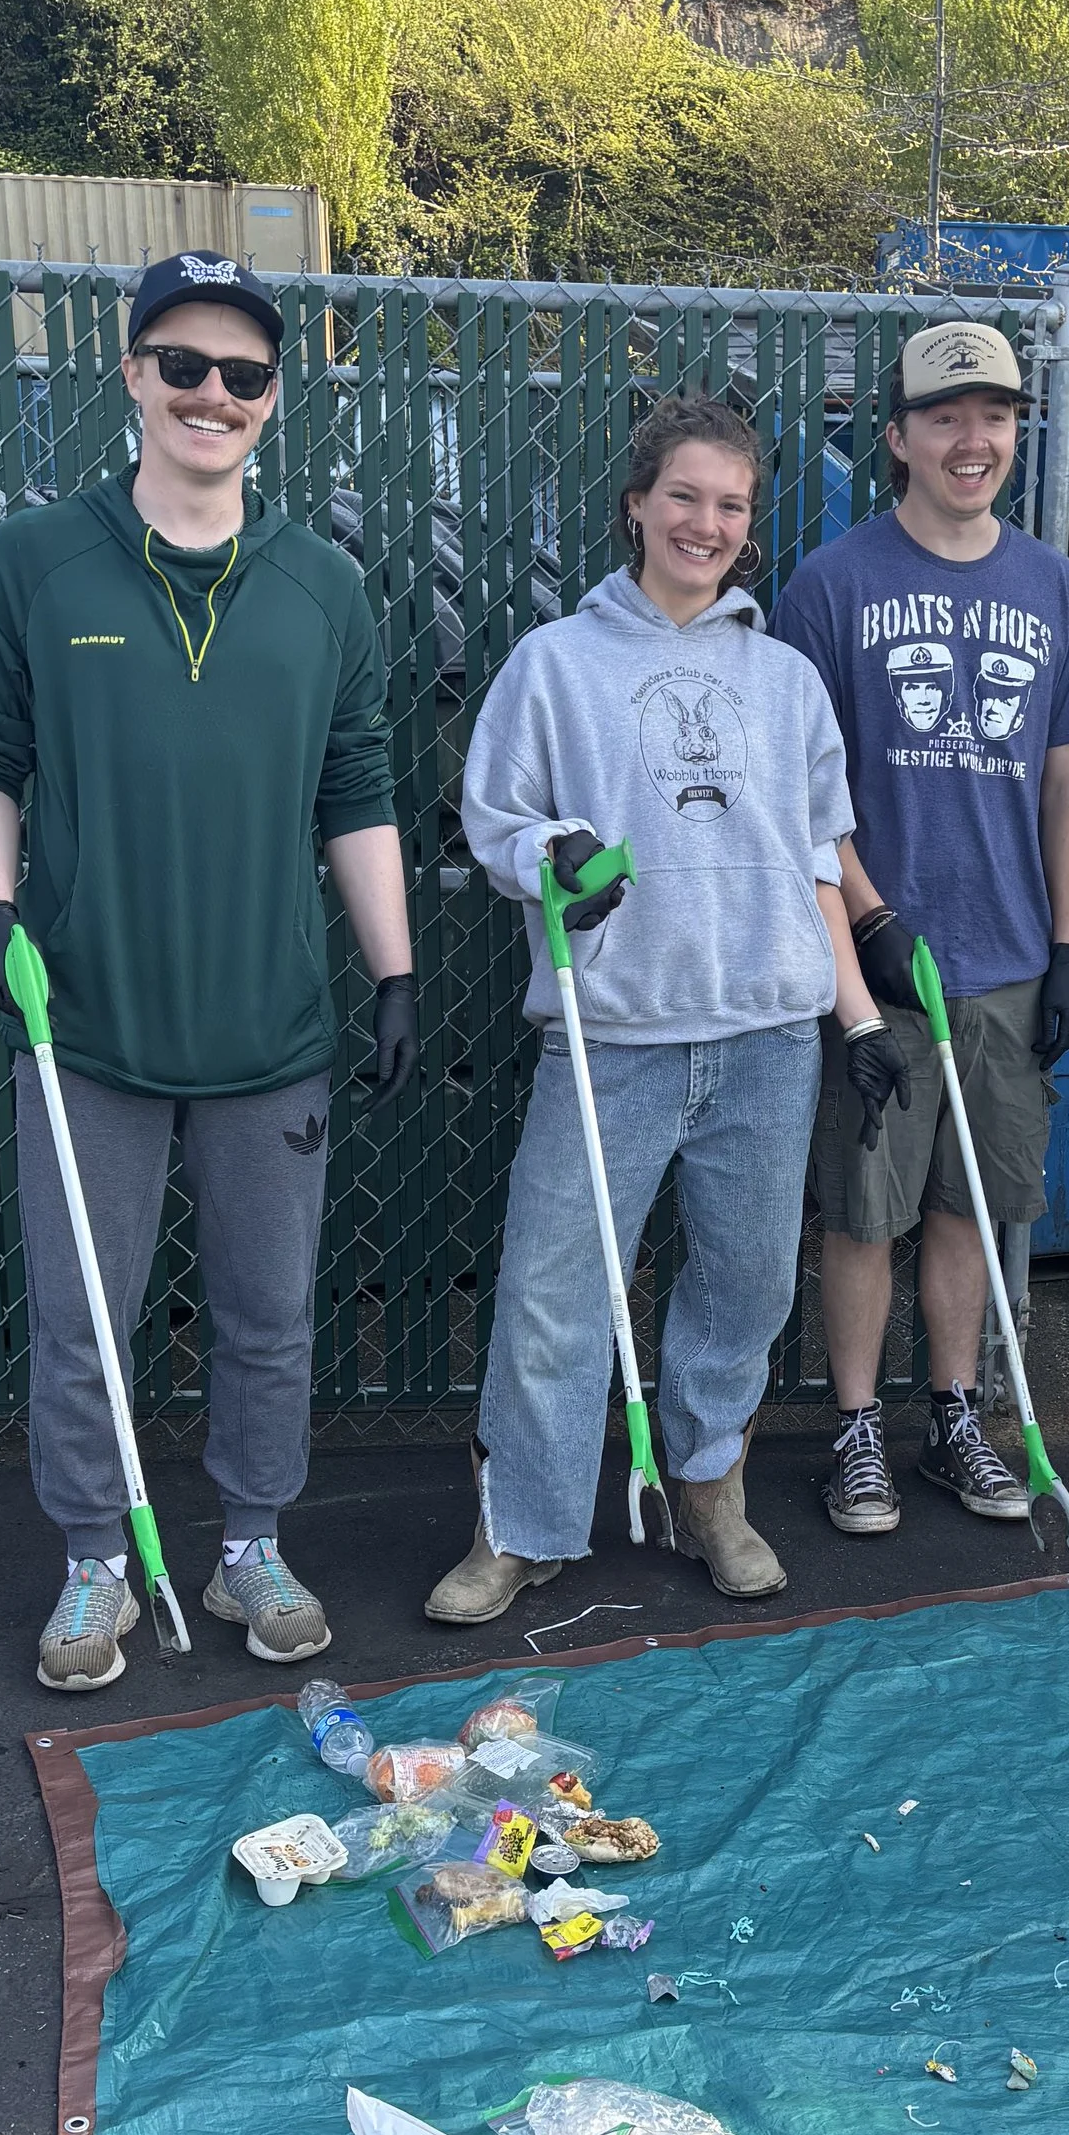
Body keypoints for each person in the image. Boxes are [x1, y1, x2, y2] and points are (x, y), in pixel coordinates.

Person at [0, 250, 417, 1692]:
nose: (215, 393)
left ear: (274, 399)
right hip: (81, 1019)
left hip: (272, 1027)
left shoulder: (323, 586)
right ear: (134, 374)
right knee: (85, 1312)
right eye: (186, 365)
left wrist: (393, 973)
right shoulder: (37, 560)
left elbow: (358, 786)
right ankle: (94, 1563)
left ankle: (251, 1544)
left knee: (272, 1316)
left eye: (246, 374)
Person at [427, 392, 909, 1625]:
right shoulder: (555, 665)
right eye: (683, 496)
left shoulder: (788, 680)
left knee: (745, 1288)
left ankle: (709, 1493)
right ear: (635, 505)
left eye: (731, 505)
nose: (705, 522)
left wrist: (853, 1016)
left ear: (751, 529)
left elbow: (815, 850)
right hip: (613, 1036)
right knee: (553, 1289)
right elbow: (494, 819)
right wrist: (554, 851)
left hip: (762, 1036)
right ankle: (523, 1530)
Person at [772, 319, 1069, 1534]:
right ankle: (856, 1428)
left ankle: (954, 1417)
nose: (975, 439)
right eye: (948, 417)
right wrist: (869, 920)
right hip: (882, 965)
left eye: (997, 416)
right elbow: (806, 788)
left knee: (970, 1205)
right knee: (866, 1211)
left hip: (1007, 960)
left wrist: (1067, 945)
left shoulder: (1051, 584)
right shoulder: (832, 583)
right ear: (898, 438)